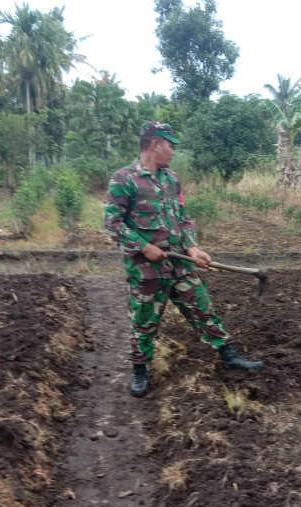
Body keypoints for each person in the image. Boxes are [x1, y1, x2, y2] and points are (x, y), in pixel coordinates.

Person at [104, 121, 263, 397]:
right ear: (155, 144)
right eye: (170, 145)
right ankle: (140, 370)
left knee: (202, 307)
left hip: (179, 264)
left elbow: (183, 219)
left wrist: (193, 249)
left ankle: (228, 354)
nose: (173, 151)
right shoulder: (124, 179)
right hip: (147, 270)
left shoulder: (171, 179)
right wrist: (143, 246)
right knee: (144, 321)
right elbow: (112, 223)